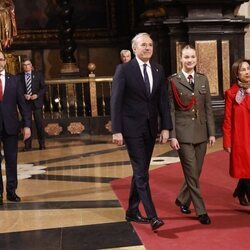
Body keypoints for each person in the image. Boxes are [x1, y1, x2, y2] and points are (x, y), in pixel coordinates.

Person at [111, 32, 172, 231]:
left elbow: (162, 100)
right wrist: (117, 130)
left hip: (150, 128)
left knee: (141, 172)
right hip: (131, 128)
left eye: (150, 45)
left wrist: (166, 127)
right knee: (140, 171)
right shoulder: (124, 70)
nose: (148, 48)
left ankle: (131, 210)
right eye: (143, 45)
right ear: (134, 48)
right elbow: (116, 101)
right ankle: (153, 216)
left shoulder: (158, 69)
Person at [168, 45, 216, 225]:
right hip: (183, 134)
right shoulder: (173, 81)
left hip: (202, 132)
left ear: (196, 59)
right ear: (181, 59)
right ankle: (201, 211)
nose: (190, 60)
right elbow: (171, 110)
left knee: (196, 172)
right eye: (186, 57)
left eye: (192, 57)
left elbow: (208, 108)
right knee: (191, 172)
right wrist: (173, 135)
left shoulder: (203, 79)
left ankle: (182, 198)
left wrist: (212, 133)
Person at [0, 50, 31, 204]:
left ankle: (11, 192)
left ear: (5, 61)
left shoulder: (14, 80)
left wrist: (27, 125)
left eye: (0, 59)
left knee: (12, 160)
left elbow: (23, 105)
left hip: (11, 126)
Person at [223, 58, 250, 206]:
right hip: (241, 138)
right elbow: (227, 119)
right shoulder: (232, 94)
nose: (247, 72)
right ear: (236, 74)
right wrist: (227, 141)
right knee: (247, 168)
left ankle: (240, 191)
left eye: (248, 68)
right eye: (243, 69)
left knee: (248, 168)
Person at [19, 58, 46, 151]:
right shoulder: (19, 76)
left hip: (36, 103)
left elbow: (43, 88)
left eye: (28, 64)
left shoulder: (38, 75)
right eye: (24, 65)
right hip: (25, 104)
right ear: (22, 66)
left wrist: (37, 95)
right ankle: (27, 145)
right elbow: (17, 90)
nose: (26, 66)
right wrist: (23, 95)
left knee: (39, 124)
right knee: (27, 125)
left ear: (31, 65)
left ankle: (42, 144)